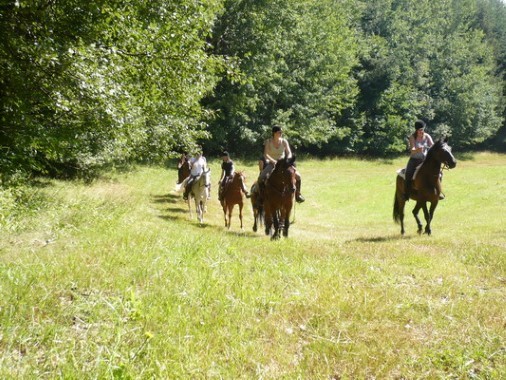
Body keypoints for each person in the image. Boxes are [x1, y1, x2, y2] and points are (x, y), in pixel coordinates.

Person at [258, 126, 305, 203]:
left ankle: (297, 195)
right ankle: (261, 197)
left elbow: (289, 152)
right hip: (272, 163)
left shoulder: (284, 141)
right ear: (274, 133)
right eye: (279, 132)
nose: (281, 133)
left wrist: (288, 159)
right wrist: (273, 161)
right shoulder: (268, 142)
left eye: (281, 132)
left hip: (283, 163)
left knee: (298, 176)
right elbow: (266, 154)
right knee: (261, 178)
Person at [404, 119, 434, 200]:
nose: (421, 132)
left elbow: (432, 146)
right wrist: (418, 149)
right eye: (420, 130)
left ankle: (436, 191)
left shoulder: (427, 136)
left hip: (424, 160)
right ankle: (406, 194)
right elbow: (412, 150)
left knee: (438, 172)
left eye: (423, 130)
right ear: (416, 130)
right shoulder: (412, 137)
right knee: (408, 174)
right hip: (414, 160)